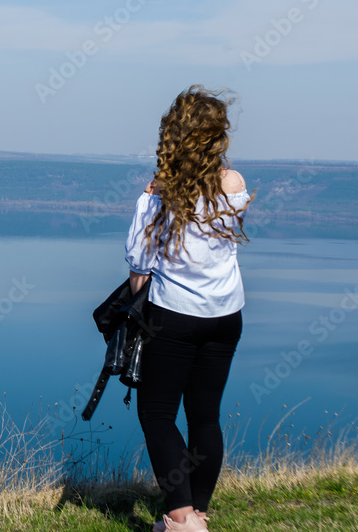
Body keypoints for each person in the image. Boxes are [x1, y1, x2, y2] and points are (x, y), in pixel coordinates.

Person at [124, 85, 254, 532]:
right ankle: (198, 509)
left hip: (174, 316)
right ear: (218, 139)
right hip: (226, 316)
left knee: (157, 413)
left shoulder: (159, 197)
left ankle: (182, 521)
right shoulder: (233, 186)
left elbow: (139, 265)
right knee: (205, 416)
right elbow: (220, 189)